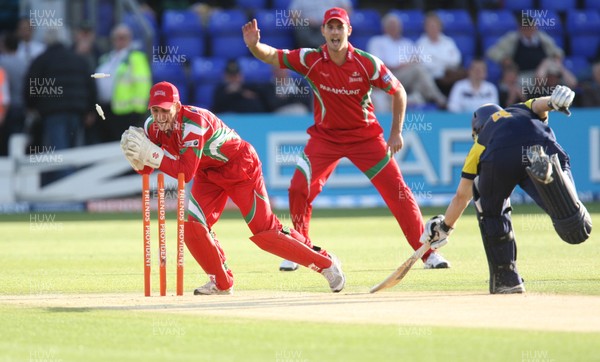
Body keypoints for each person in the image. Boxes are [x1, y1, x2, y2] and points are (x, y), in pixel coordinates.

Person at [242, 7, 451, 273]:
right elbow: (273, 56)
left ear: (348, 31)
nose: (335, 32)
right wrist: (255, 45)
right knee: (297, 188)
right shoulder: (311, 59)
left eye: (340, 27)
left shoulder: (367, 63)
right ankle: (298, 249)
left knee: (399, 193)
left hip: (365, 138)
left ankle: (427, 253)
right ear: (323, 31)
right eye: (330, 27)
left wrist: (396, 131)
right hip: (325, 139)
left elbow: (398, 92)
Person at [120, 81, 345, 295]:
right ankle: (221, 282)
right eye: (155, 111)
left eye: (165, 111)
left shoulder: (194, 122)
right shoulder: (152, 126)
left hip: (240, 167)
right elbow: (148, 170)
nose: (160, 117)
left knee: (265, 232)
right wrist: (136, 159)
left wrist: (152, 155)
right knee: (192, 227)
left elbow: (185, 172)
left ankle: (326, 264)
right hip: (209, 174)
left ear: (177, 107)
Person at [420, 85, 592, 294]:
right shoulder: (518, 108)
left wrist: (445, 227)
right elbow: (541, 105)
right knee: (577, 229)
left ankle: (506, 277)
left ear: (477, 129)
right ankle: (557, 188)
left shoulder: (479, 144)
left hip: (501, 156)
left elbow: (461, 197)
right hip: (540, 143)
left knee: (488, 204)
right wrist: (554, 101)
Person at [24, 27, 96, 151]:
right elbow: (91, 85)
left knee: (59, 153)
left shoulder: (41, 60)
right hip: (76, 112)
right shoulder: (79, 60)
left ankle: (66, 171)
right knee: (74, 151)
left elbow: (32, 86)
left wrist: (31, 106)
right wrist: (91, 110)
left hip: (52, 112)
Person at [367, 12, 447, 110]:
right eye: (391, 25)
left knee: (421, 71)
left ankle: (415, 97)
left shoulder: (407, 43)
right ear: (385, 28)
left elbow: (417, 59)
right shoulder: (377, 41)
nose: (394, 28)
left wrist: (406, 64)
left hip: (406, 76)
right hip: (387, 76)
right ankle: (437, 97)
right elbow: (377, 65)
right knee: (418, 70)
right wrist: (401, 65)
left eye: (396, 26)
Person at [93, 24, 151, 143]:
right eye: (117, 37)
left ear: (129, 39)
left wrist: (138, 110)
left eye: (123, 37)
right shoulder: (108, 57)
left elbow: (143, 83)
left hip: (127, 111)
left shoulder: (136, 57)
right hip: (107, 109)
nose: (120, 41)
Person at [486, 13, 564, 86]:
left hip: (544, 72)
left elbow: (557, 52)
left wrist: (556, 58)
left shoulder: (542, 38)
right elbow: (492, 52)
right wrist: (504, 59)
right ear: (520, 28)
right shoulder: (512, 39)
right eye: (526, 27)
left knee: (554, 75)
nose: (529, 30)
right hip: (521, 74)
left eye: (531, 27)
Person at [416, 11, 465, 96]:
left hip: (450, 76)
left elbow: (456, 59)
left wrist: (435, 58)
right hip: (433, 78)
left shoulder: (448, 41)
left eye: (435, 26)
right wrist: (445, 61)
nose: (433, 29)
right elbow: (426, 64)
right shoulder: (420, 43)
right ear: (425, 28)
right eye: (430, 26)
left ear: (440, 27)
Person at [0, 33, 27, 156]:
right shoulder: (24, 64)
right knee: (18, 140)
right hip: (21, 106)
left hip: (5, 109)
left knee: (5, 142)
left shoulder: (2, 63)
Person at [288, 0, 353, 49]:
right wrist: (306, 21)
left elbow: (347, 9)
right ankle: (308, 54)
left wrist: (330, 20)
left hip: (329, 23)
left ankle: (322, 53)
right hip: (307, 25)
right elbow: (293, 13)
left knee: (331, 28)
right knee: (301, 26)